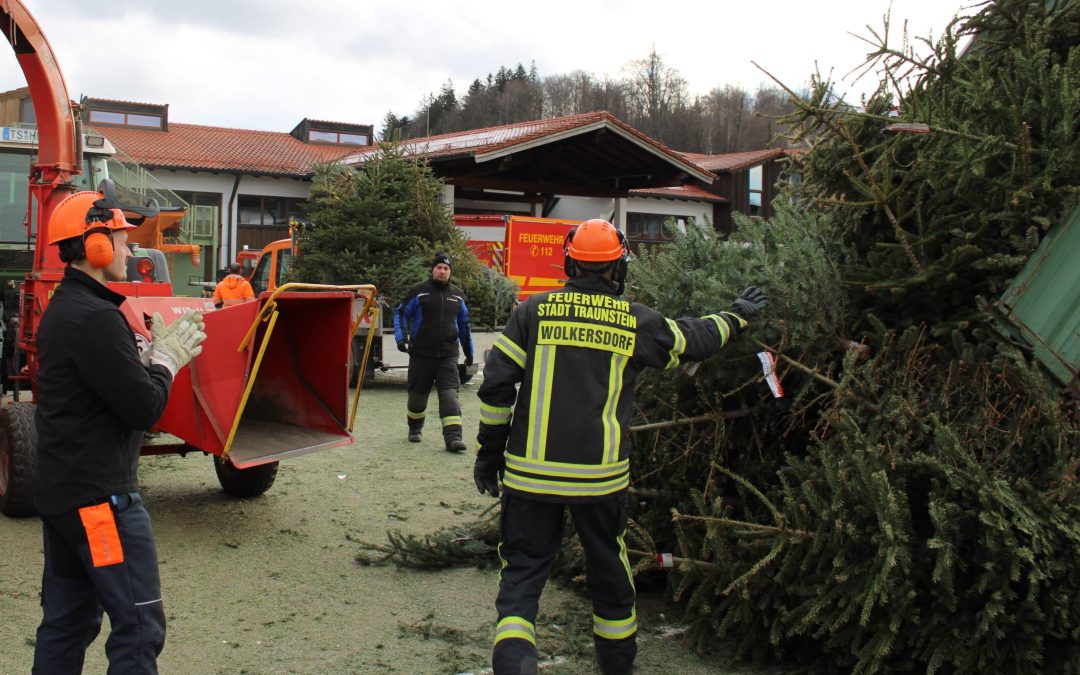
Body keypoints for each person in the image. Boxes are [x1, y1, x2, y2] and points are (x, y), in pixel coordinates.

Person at [473, 219, 767, 675]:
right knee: (610, 575)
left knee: (521, 577)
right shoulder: (634, 320)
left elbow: (496, 389)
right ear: (618, 269)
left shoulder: (531, 312)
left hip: (529, 476)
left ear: (570, 264)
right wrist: (738, 314)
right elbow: (696, 339)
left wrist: (489, 455)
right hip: (599, 480)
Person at [32, 187, 207, 673]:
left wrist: (145, 359)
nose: (130, 251)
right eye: (122, 241)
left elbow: (107, 385)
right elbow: (143, 409)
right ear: (96, 247)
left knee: (67, 622)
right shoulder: (96, 319)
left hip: (66, 498)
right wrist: (167, 362)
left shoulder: (67, 310)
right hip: (101, 508)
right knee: (137, 625)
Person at [393, 252, 475, 452]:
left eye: (446, 268)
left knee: (449, 397)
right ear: (433, 270)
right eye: (439, 267)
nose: (442, 271)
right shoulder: (418, 292)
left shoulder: (457, 295)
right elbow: (401, 313)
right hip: (421, 355)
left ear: (450, 272)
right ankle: (415, 428)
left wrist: (469, 351)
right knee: (417, 399)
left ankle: (454, 439)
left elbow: (464, 325)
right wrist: (401, 338)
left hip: (448, 356)